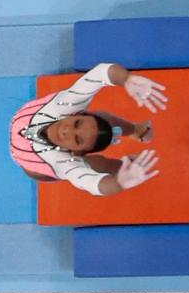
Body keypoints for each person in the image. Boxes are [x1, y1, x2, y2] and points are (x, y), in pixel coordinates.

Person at [9, 63, 168, 196]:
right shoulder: (63, 107)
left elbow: (101, 74)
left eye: (77, 137)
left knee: (101, 124)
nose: (67, 131)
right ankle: (125, 166)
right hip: (35, 169)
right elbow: (92, 183)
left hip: (26, 130)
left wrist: (126, 79)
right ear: (76, 153)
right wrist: (119, 183)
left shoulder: (66, 113)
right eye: (76, 125)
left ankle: (135, 130)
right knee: (98, 164)